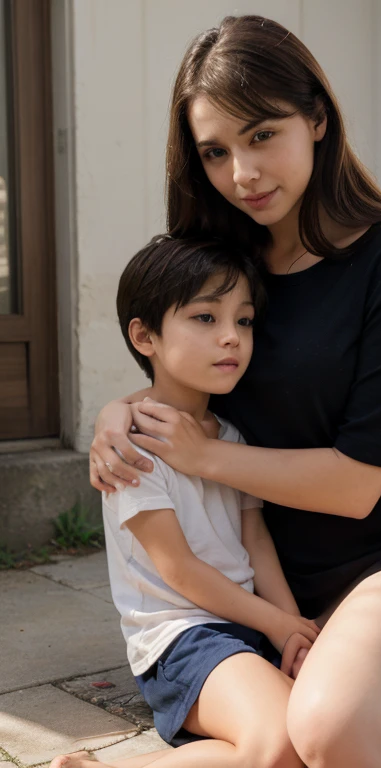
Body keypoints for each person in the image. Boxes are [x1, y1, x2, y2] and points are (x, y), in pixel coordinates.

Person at [88, 15, 381, 768]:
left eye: (261, 136)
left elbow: (356, 484)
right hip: (271, 590)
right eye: (215, 152)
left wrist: (204, 459)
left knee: (330, 730)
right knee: (308, 738)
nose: (242, 174)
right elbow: (182, 367)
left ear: (316, 119)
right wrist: (119, 412)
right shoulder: (229, 266)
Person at [52, 235, 320, 768]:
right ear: (144, 335)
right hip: (181, 640)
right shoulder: (130, 446)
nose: (231, 338)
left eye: (243, 321)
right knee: (284, 742)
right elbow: (179, 569)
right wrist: (275, 623)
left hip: (245, 626)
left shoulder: (229, 435)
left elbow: (255, 541)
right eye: (205, 318)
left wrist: (294, 632)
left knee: (312, 731)